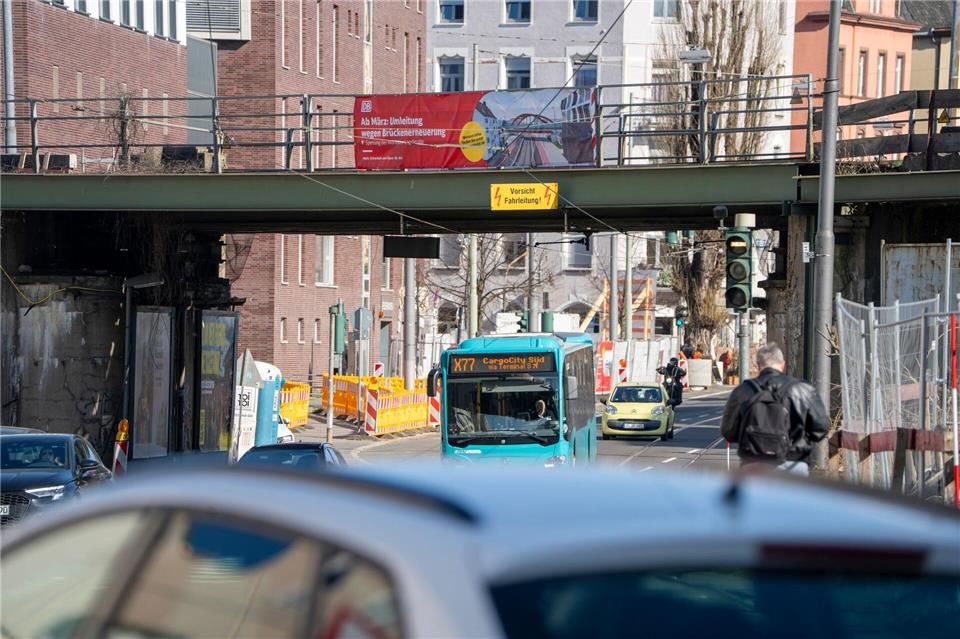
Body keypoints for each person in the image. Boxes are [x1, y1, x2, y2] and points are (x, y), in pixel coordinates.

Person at [720, 343, 829, 476]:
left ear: (758, 365)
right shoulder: (803, 389)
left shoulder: (743, 391)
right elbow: (820, 429)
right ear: (782, 364)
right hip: (794, 464)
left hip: (753, 465)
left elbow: (728, 431)